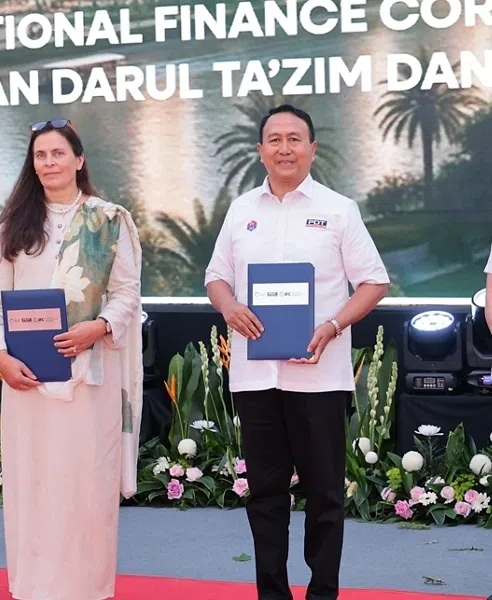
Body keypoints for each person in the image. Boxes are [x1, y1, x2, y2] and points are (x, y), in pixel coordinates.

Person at [204, 104, 390, 600]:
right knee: (265, 494)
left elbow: (374, 281)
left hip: (319, 377)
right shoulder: (242, 210)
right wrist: (230, 309)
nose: (284, 148)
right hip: (256, 376)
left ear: (311, 147)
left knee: (325, 494)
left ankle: (323, 592)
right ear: (260, 149)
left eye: (294, 138)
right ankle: (272, 592)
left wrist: (332, 325)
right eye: (274, 139)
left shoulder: (338, 209)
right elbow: (215, 276)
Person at [0, 119, 144, 600]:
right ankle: (31, 588)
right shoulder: (14, 225)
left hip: (88, 378)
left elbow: (127, 293)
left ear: (79, 158)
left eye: (57, 153)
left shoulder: (108, 220)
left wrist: (99, 327)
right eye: (39, 156)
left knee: (86, 487)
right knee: (33, 486)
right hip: (26, 379)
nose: (49, 162)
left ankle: (89, 589)